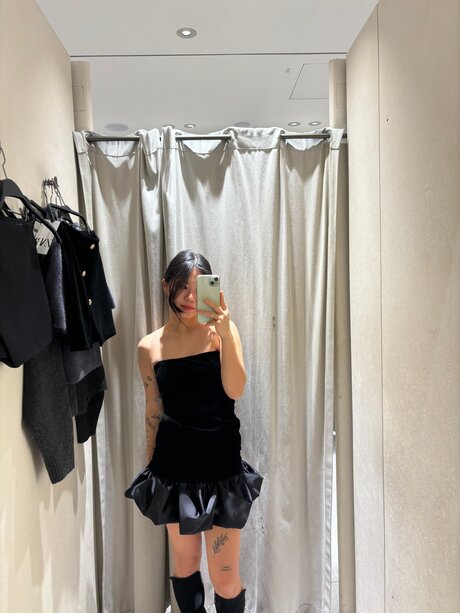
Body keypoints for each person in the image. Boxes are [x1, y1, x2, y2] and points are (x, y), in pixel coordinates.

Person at [125, 249, 263, 613]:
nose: (189, 296)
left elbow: (235, 389)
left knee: (224, 577)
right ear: (166, 285)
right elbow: (153, 409)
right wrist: (152, 467)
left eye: (198, 287)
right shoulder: (149, 346)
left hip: (221, 469)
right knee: (185, 567)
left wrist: (225, 333)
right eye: (182, 286)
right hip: (173, 470)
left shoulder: (221, 333)